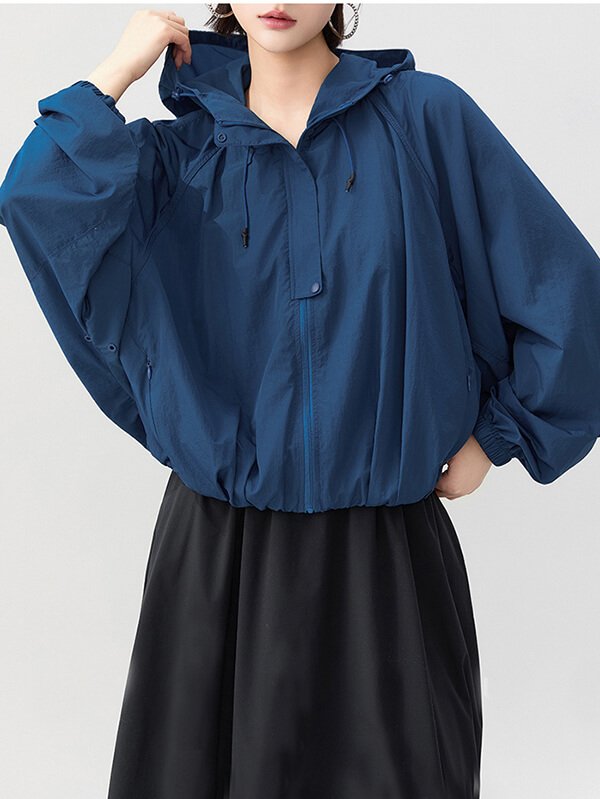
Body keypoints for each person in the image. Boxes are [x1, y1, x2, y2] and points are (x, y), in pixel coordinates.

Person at [1, 4, 599, 798]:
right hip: (216, 566)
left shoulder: (426, 121)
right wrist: (116, 71)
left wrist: (498, 436)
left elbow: (568, 294)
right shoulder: (179, 157)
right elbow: (35, 195)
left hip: (385, 567)